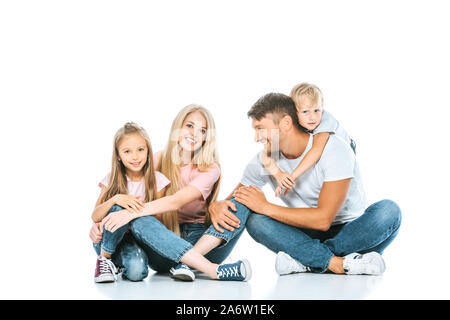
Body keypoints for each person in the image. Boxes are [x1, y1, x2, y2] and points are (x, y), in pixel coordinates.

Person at [211, 92, 401, 275]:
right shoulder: (264, 160)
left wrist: (266, 207)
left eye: (260, 128)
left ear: (286, 123)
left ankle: (309, 260)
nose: (256, 137)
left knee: (389, 211)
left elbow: (323, 220)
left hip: (353, 231)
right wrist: (215, 206)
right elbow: (234, 201)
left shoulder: (334, 149)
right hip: (304, 233)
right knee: (255, 221)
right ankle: (339, 263)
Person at [99, 104, 252, 281]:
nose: (195, 134)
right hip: (162, 242)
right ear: (178, 127)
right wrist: (106, 219)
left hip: (203, 241)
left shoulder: (211, 169)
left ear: (206, 138)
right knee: (139, 217)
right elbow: (128, 188)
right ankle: (204, 268)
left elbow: (176, 201)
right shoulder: (157, 159)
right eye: (189, 126)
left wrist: (128, 214)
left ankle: (187, 263)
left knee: (245, 197)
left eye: (202, 130)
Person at [91, 122, 170, 283]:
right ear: (118, 155)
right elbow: (95, 215)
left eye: (140, 149)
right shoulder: (111, 179)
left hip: (138, 239)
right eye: (127, 151)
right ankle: (104, 259)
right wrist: (116, 198)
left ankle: (116, 263)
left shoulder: (158, 180)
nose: (135, 157)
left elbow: (158, 220)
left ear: (148, 151)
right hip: (109, 238)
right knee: (118, 207)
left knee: (137, 273)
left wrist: (128, 218)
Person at [261, 83, 354, 197]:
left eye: (316, 110)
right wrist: (278, 174)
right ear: (294, 111)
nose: (312, 117)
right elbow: (266, 154)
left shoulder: (325, 120)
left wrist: (292, 177)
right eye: (305, 112)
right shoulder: (289, 119)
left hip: (345, 147)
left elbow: (316, 151)